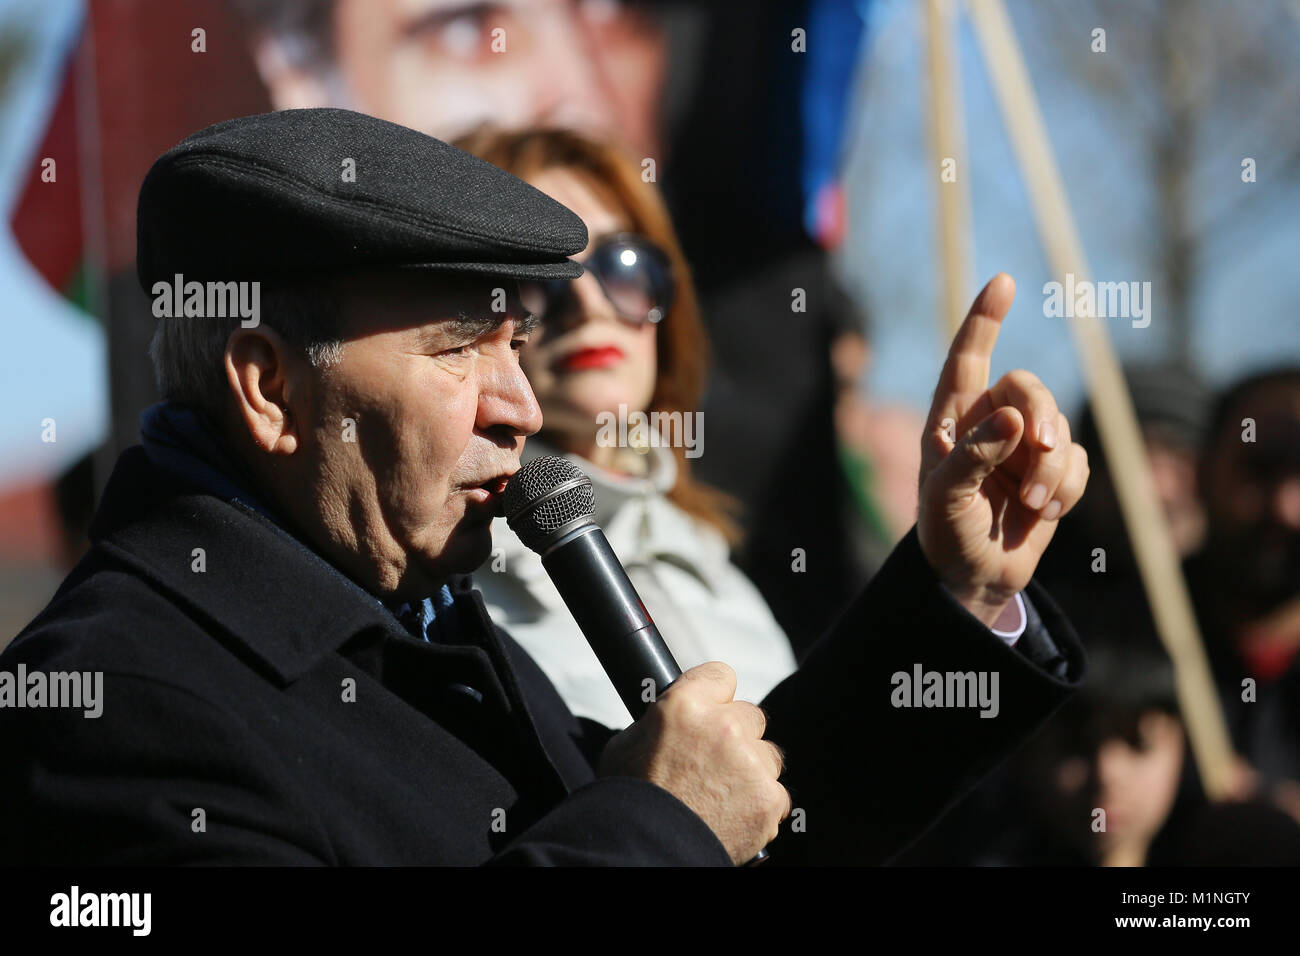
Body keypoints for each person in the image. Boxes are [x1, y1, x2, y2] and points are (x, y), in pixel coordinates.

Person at [0, 108, 1090, 866]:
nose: (518, 401)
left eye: (517, 342)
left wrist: (954, 589)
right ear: (270, 386)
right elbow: (671, 829)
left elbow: (757, 824)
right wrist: (659, 828)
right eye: (461, 346)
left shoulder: (412, 620)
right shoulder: (111, 703)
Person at [453, 125, 795, 730]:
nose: (590, 304)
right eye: (541, 273)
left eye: (624, 264)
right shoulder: (450, 590)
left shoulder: (722, 578)